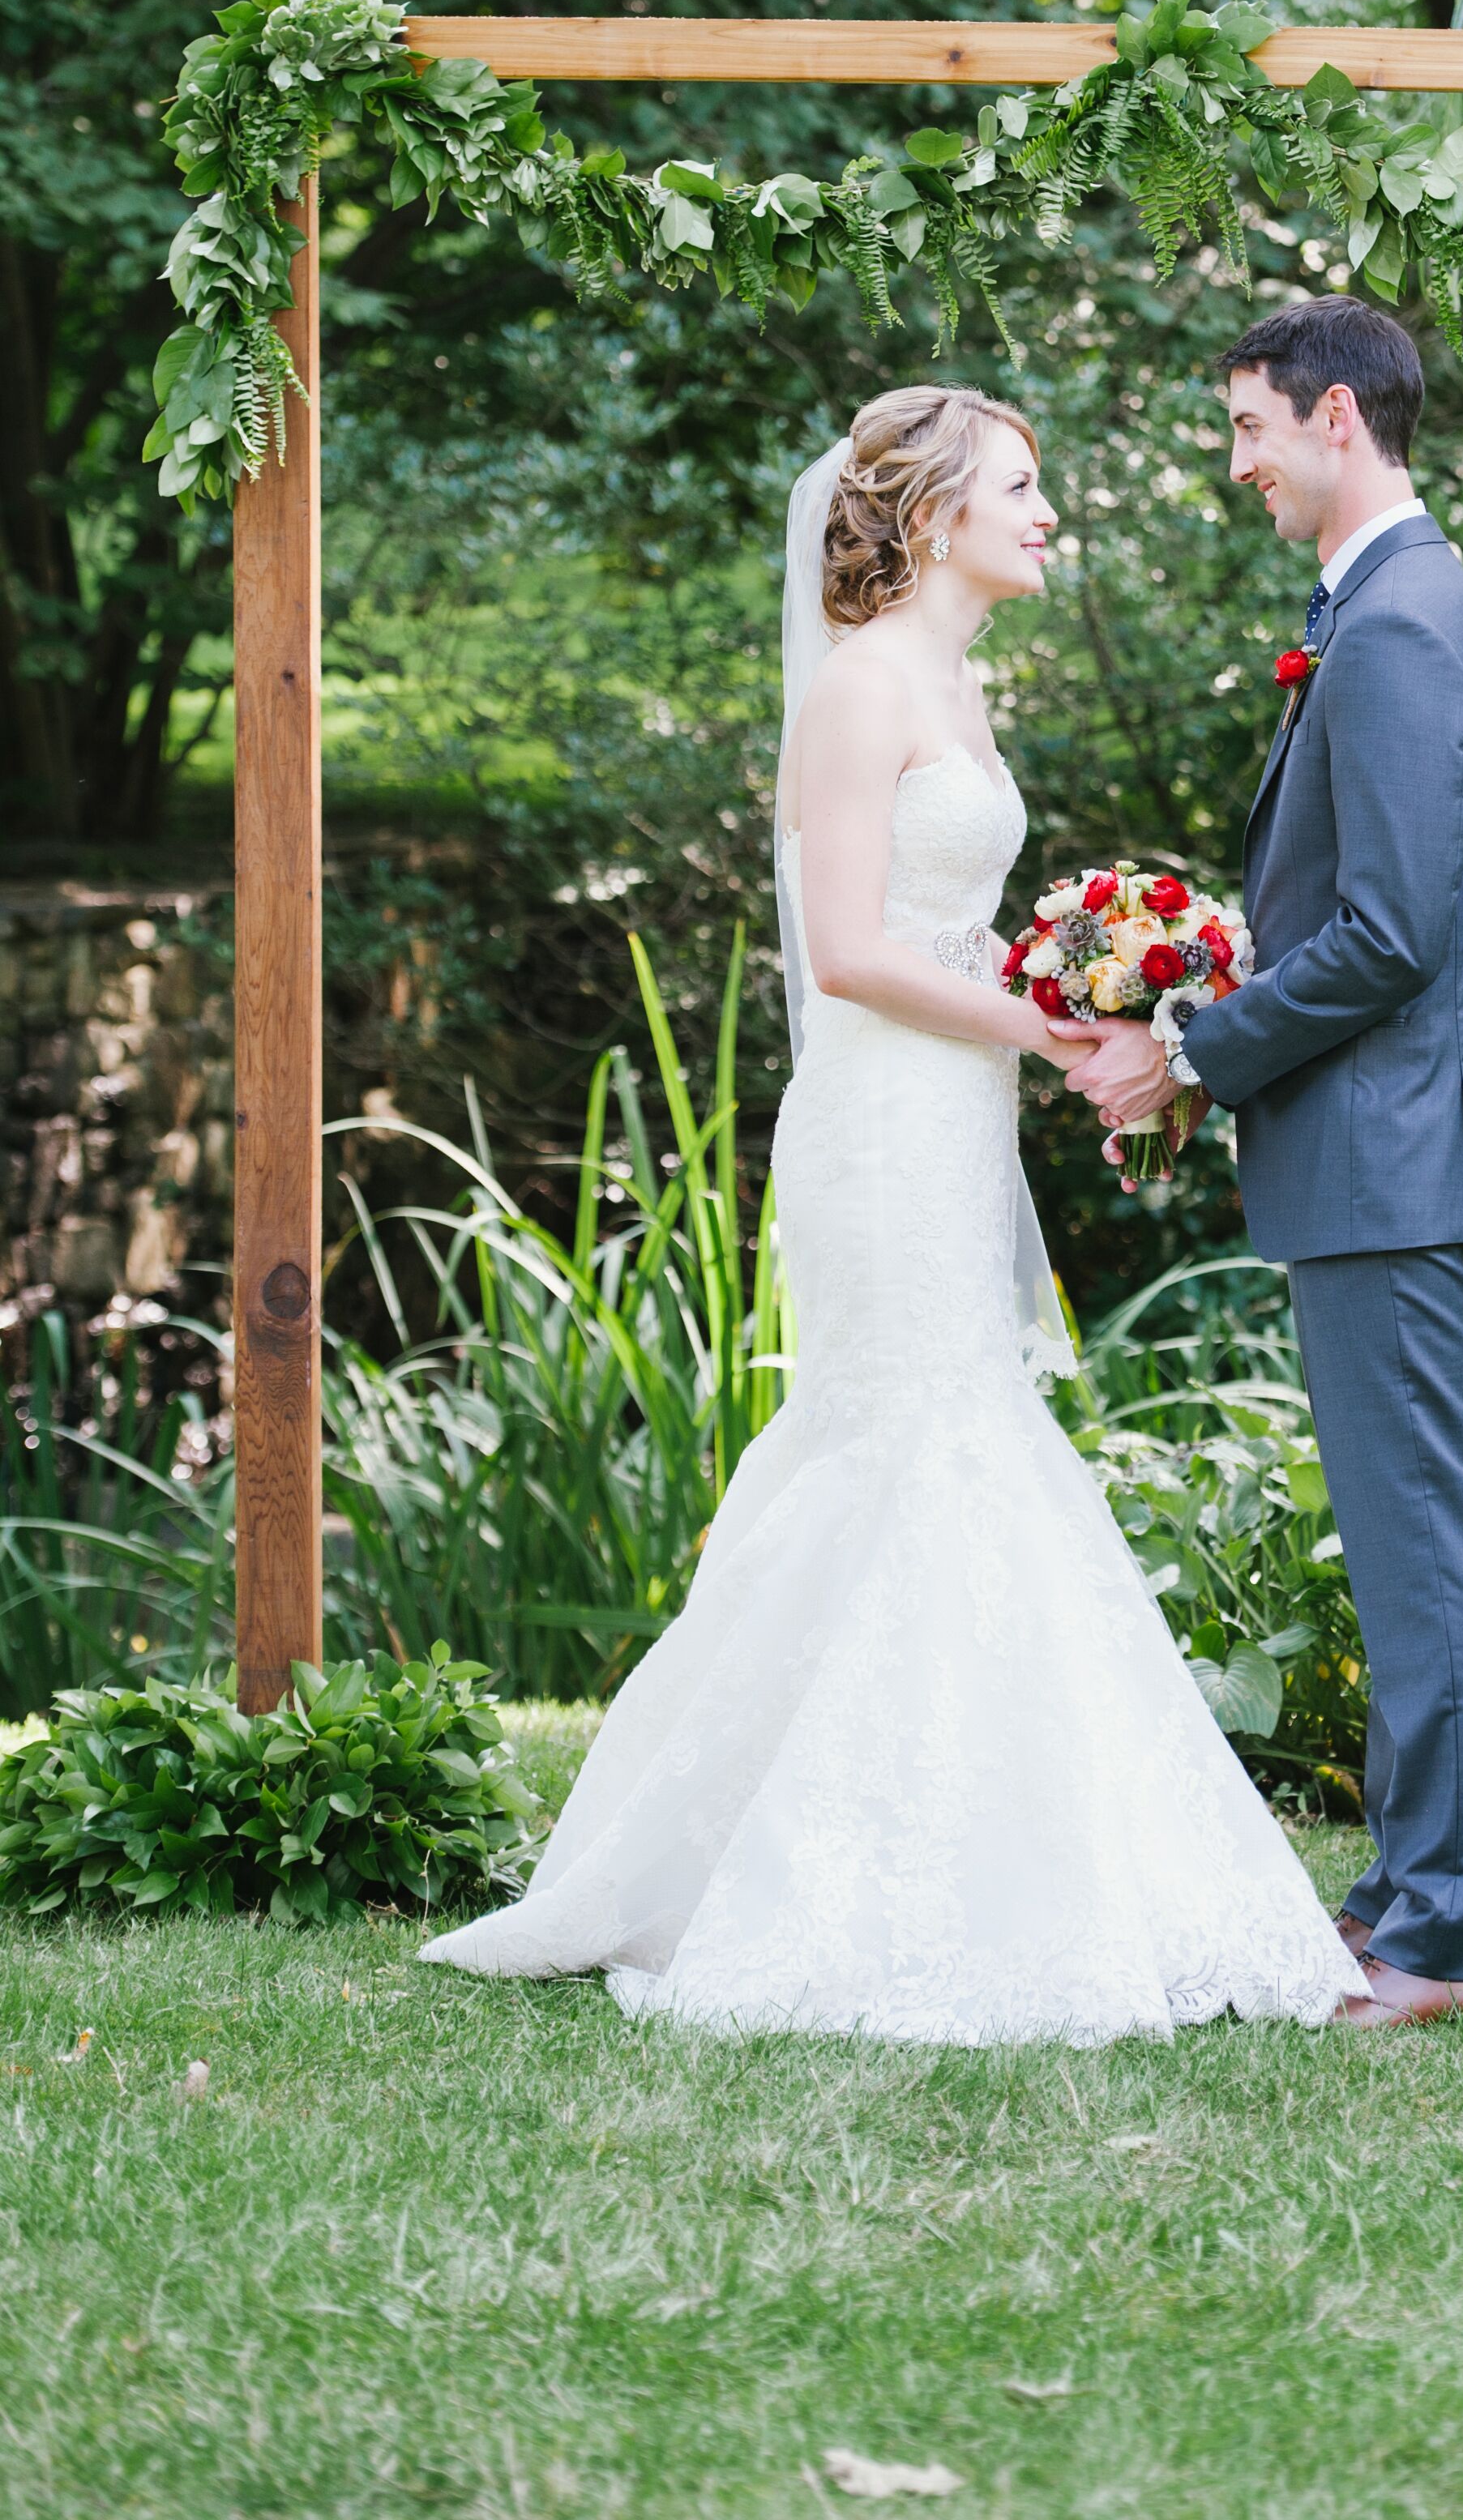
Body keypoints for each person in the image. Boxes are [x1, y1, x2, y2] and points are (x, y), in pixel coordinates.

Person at [421, 383, 1360, 2044]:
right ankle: (788, 1874)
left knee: (957, 1430)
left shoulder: (958, 681)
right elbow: (852, 948)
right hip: (879, 1122)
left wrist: (1094, 976)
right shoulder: (859, 689)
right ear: (931, 515)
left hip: (952, 1109)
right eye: (1022, 485)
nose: (1048, 512)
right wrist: (1067, 1025)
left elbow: (953, 932)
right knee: (910, 1439)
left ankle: (997, 1854)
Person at [1067, 301, 1463, 2029]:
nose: (1238, 460)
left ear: (1337, 417)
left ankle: (1450, 1941)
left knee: (1425, 1549)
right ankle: (1413, 1899)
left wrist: (1188, 1048)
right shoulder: (1382, 608)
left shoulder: (1402, 623)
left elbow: (1391, 932)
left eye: (1252, 424)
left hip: (1392, 1154)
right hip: (1376, 1152)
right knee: (1409, 1543)